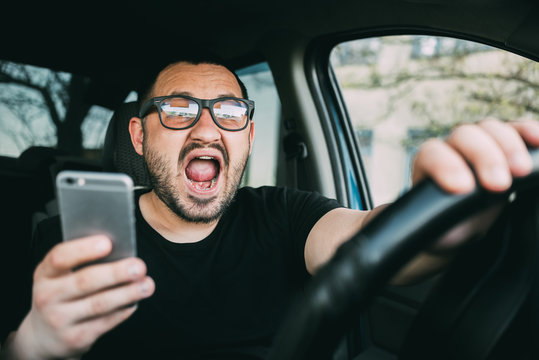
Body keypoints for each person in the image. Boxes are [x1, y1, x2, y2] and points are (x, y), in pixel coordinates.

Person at [2, 56, 539, 360]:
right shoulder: (63, 238)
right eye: (179, 110)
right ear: (139, 136)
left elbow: (361, 238)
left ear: (250, 135)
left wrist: (439, 216)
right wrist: (32, 346)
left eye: (230, 112)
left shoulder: (283, 214)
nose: (208, 127)